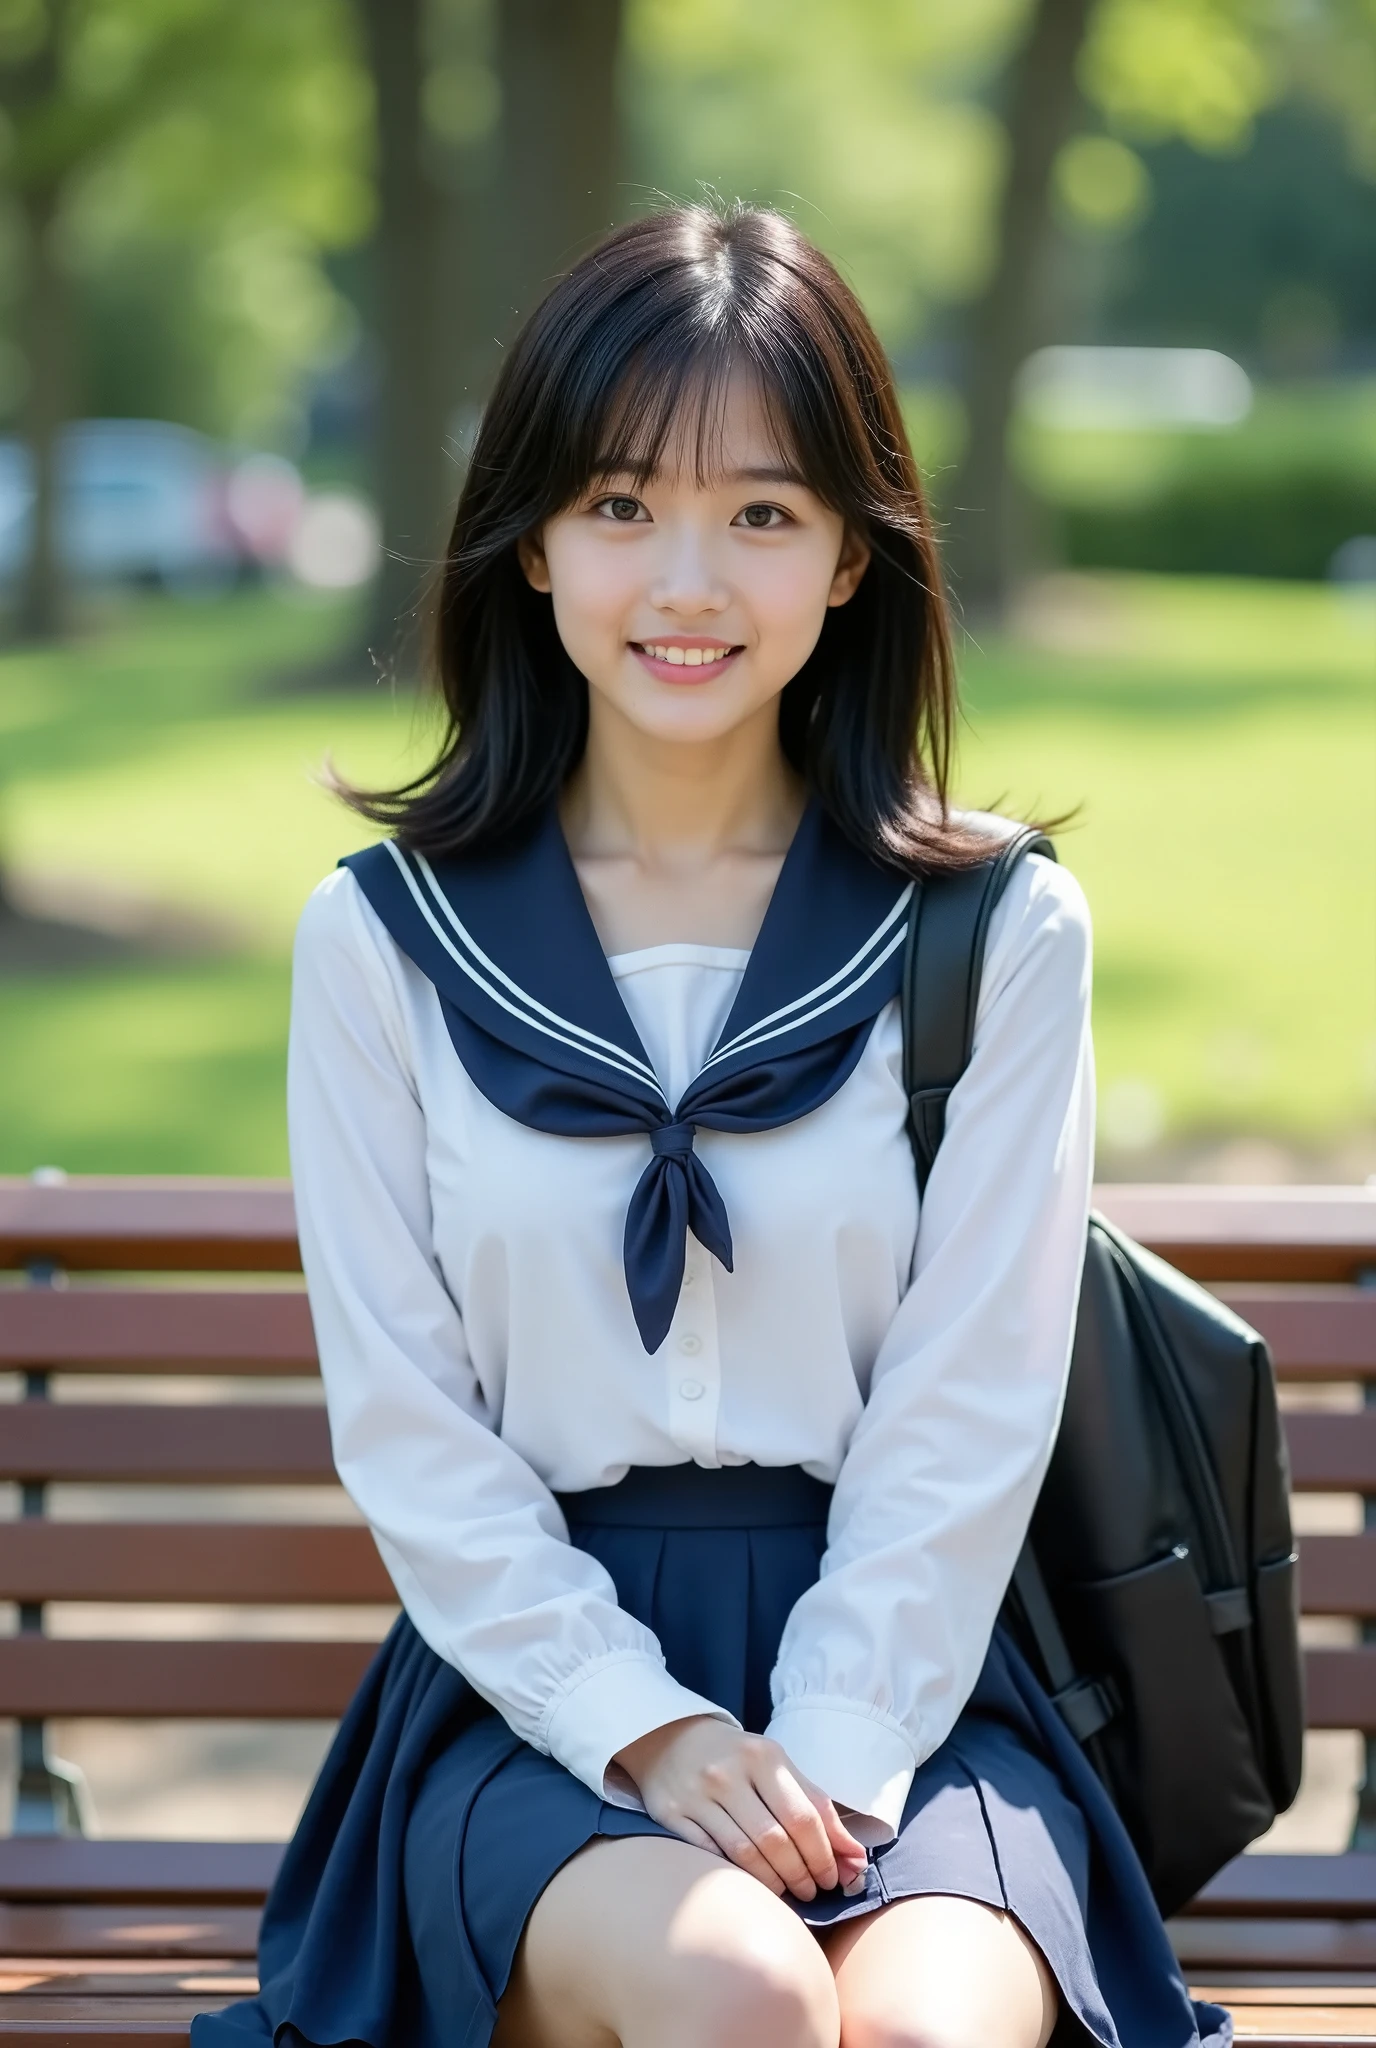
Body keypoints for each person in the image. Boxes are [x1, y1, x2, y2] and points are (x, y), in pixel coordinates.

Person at [193, 205, 1228, 2048]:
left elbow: (971, 1406)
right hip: (533, 1694)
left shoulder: (994, 932)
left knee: (912, 2032)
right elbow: (411, 1426)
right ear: (528, 544)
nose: (688, 581)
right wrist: (648, 1726)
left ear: (850, 559)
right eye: (618, 507)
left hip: (909, 1671)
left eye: (761, 513)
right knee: (737, 1994)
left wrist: (819, 1749)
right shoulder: (382, 942)